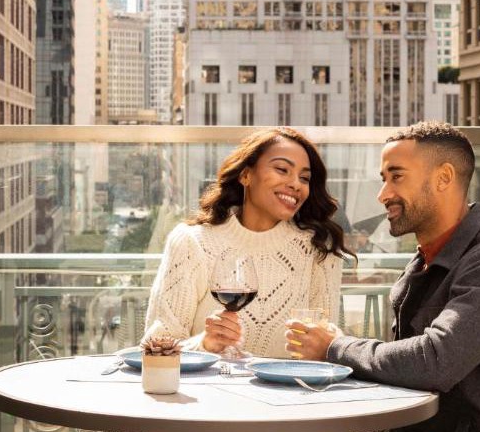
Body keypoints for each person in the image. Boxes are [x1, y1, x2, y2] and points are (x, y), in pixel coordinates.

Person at [285, 121, 480, 432]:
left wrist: (335, 348)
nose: (383, 194)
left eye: (397, 177)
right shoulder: (427, 258)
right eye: (384, 179)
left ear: (444, 177)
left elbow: (435, 360)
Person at [145, 127, 352, 358]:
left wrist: (328, 344)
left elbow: (325, 352)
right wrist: (205, 344)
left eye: (304, 178)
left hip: (289, 392)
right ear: (245, 175)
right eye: (282, 169)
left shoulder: (319, 248)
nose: (296, 184)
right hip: (209, 391)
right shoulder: (192, 242)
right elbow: (155, 349)